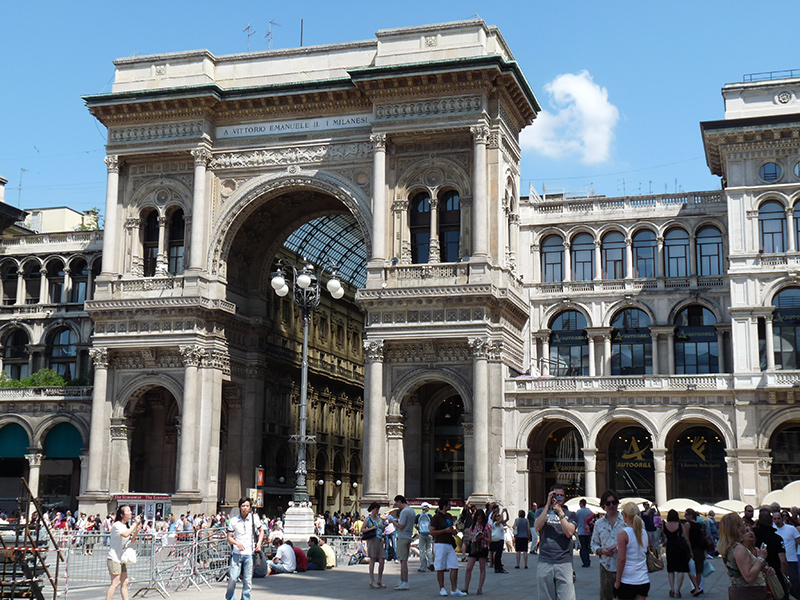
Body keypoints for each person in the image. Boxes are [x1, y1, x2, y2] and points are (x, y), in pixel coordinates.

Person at [535, 485, 577, 600]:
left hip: (564, 562)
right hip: (545, 561)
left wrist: (560, 513)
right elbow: (537, 527)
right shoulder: (541, 512)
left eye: (561, 495)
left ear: (565, 498)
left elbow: (569, 532)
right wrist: (547, 506)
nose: (558, 498)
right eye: (555, 495)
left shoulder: (570, 514)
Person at [717, 513, 769, 600]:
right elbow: (749, 577)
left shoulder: (729, 547)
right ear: (737, 527)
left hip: (739, 591)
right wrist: (761, 558)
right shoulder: (739, 548)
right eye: (741, 523)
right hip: (749, 592)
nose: (744, 525)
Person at [225, 497, 265, 600]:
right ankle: (230, 598)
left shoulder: (254, 518)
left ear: (250, 507)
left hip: (249, 553)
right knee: (233, 578)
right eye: (243, 506)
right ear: (239, 507)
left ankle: (245, 598)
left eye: (247, 506)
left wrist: (259, 544)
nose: (245, 508)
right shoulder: (234, 520)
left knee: (247, 580)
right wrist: (236, 543)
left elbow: (261, 531)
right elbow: (229, 537)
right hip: (237, 554)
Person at [592, 490, 626, 600]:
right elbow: (594, 543)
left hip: (625, 566)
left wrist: (620, 545)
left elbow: (637, 540)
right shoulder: (599, 523)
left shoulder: (625, 521)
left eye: (614, 502)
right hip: (606, 565)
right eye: (608, 503)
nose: (611, 505)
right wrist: (601, 551)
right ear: (603, 506)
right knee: (606, 596)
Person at [430, 497, 466, 597]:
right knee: (440, 566)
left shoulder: (449, 516)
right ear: (444, 505)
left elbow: (452, 526)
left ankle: (454, 588)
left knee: (454, 565)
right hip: (440, 543)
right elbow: (432, 531)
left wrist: (453, 531)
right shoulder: (436, 517)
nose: (450, 506)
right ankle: (442, 587)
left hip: (449, 543)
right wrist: (444, 531)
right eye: (449, 504)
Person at [615, 502, 650, 600]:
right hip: (643, 580)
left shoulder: (623, 533)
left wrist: (617, 581)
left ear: (625, 515)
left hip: (628, 580)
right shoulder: (644, 532)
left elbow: (621, 559)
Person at [106, 505, 141, 600]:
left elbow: (131, 539)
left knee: (125, 582)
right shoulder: (117, 525)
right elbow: (125, 534)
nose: (130, 513)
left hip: (121, 558)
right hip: (114, 558)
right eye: (128, 511)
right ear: (122, 514)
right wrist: (135, 524)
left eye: (130, 510)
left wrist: (136, 531)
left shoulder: (126, 526)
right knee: (115, 582)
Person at [753, 507, 787, 594]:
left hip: (755, 572)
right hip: (774, 572)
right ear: (771, 521)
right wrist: (786, 577)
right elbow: (783, 560)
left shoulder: (752, 535)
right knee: (780, 594)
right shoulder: (777, 538)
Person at [387, 494, 416, 590]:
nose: (397, 506)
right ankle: (402, 580)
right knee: (404, 560)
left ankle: (404, 582)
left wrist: (392, 521)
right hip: (408, 535)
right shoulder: (412, 511)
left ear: (400, 502)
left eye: (396, 504)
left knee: (403, 561)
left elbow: (401, 526)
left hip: (402, 536)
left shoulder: (404, 512)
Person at [662, 509, 691, 598]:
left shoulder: (665, 525)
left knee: (670, 569)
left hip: (670, 548)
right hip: (679, 548)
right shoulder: (680, 525)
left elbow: (663, 534)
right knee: (680, 569)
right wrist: (690, 550)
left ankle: (672, 588)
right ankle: (678, 590)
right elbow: (686, 539)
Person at [772, 510, 800, 599]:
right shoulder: (772, 530)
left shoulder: (791, 529)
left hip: (791, 560)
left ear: (783, 518)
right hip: (778, 561)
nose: (777, 521)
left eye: (779, 518)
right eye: (775, 519)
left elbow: (799, 542)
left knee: (795, 584)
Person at [463, 508, 490, 595]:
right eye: (477, 518)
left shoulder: (487, 526)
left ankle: (480, 588)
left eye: (480, 518)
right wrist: (473, 537)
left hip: (483, 548)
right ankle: (466, 588)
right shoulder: (473, 525)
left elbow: (490, 540)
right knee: (468, 568)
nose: (479, 520)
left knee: (482, 568)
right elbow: (470, 537)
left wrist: (483, 538)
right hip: (474, 547)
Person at [684, 508, 708, 596]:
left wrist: (690, 551)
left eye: (686, 514)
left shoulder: (687, 524)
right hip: (701, 549)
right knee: (699, 571)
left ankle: (696, 588)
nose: (685, 516)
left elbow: (687, 539)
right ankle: (697, 587)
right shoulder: (699, 524)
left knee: (690, 570)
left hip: (693, 549)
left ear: (691, 515)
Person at [363, 502, 386, 588]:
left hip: (380, 540)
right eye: (376, 509)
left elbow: (382, 527)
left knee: (382, 560)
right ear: (372, 509)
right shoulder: (368, 519)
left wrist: (383, 527)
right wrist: (372, 528)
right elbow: (362, 529)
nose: (377, 511)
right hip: (372, 540)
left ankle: (380, 579)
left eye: (378, 509)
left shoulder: (379, 518)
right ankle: (372, 580)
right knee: (372, 559)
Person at [416, 502, 434, 572]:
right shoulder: (429, 516)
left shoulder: (418, 516)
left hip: (422, 534)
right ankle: (431, 563)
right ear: (426, 508)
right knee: (429, 549)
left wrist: (419, 530)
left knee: (422, 550)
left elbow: (415, 525)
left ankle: (423, 566)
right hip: (429, 534)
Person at [576, 499, 593, 568]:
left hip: (581, 531)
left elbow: (576, 521)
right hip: (588, 532)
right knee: (587, 546)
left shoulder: (578, 512)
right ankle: (588, 560)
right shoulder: (590, 511)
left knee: (582, 548)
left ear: (581, 504)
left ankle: (585, 562)